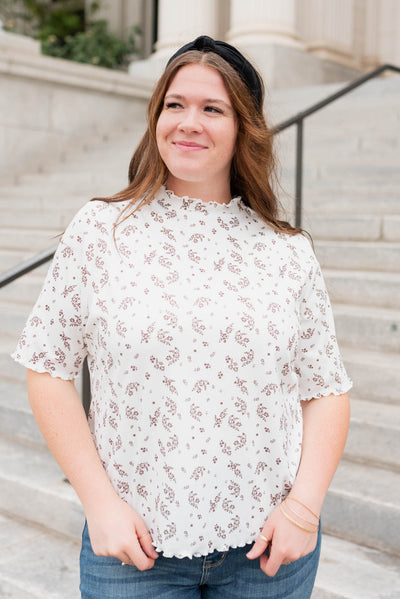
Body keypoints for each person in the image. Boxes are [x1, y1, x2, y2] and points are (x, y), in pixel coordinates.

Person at [13, 35, 352, 599]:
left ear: (244, 127)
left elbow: (326, 389)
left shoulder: (286, 251)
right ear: (156, 117)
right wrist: (100, 504)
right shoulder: (101, 230)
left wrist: (303, 510)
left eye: (212, 108)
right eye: (175, 104)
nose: (188, 122)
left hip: (267, 551)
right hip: (133, 551)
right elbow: (48, 368)